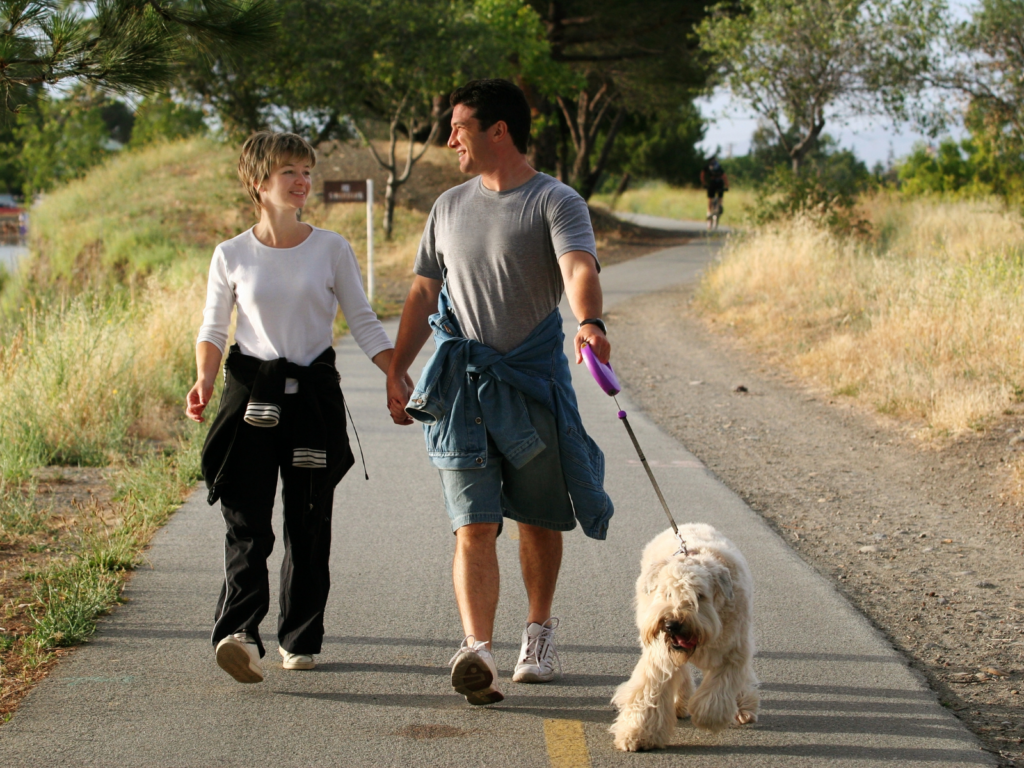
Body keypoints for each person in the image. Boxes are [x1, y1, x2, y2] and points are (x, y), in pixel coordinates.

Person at [385, 79, 614, 705]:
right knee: (473, 523)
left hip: (532, 381)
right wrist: (396, 368)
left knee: (538, 519)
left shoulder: (555, 201)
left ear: (499, 131)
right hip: (462, 388)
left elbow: (578, 268)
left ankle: (537, 633)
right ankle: (478, 649)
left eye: (459, 126)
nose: (449, 137)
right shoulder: (448, 207)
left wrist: (590, 322)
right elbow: (423, 293)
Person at [186, 131, 406, 684]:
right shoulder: (231, 253)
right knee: (246, 520)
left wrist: (396, 375)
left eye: (307, 170)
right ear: (258, 182)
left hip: (312, 399)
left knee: (309, 522)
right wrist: (204, 380)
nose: (303, 181)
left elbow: (362, 321)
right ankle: (238, 633)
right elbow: (214, 328)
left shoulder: (330, 248)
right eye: (289, 171)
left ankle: (300, 638)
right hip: (249, 398)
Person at [700, 158, 729, 222]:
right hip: (720, 183)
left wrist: (704, 183)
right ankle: (720, 205)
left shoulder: (708, 166)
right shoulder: (718, 167)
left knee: (710, 198)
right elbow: (724, 176)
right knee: (720, 196)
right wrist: (727, 186)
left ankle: (709, 213)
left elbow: (702, 174)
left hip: (712, 183)